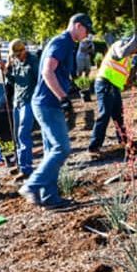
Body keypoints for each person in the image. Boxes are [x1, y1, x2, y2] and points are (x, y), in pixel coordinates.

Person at [19, 13, 93, 209]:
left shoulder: (67, 44)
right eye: (86, 30)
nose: (87, 35)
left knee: (51, 150)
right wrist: (63, 98)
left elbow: (58, 72)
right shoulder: (62, 42)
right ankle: (31, 185)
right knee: (62, 148)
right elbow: (47, 71)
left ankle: (49, 197)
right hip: (48, 103)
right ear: (77, 26)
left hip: (46, 102)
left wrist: (69, 88)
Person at [87, 35, 137, 158]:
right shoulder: (118, 45)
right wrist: (134, 41)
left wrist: (136, 67)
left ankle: (124, 142)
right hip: (105, 83)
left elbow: (127, 82)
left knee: (118, 116)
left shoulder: (129, 58)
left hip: (114, 86)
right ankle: (93, 147)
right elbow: (121, 53)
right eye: (136, 48)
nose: (135, 51)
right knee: (104, 114)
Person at [4, 39, 39, 181]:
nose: (16, 58)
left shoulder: (34, 62)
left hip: (28, 102)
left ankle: (26, 168)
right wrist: (6, 72)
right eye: (14, 56)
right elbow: (14, 81)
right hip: (17, 102)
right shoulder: (16, 62)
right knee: (16, 135)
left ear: (23, 51)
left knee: (23, 134)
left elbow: (39, 81)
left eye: (17, 55)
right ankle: (20, 164)